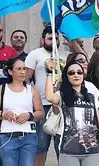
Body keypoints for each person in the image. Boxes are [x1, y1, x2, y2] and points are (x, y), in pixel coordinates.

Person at [45, 58, 99, 166]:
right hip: (68, 150)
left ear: (83, 75)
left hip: (91, 150)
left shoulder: (91, 97)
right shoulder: (62, 95)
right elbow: (49, 97)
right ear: (67, 76)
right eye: (71, 73)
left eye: (79, 72)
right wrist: (49, 73)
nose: (76, 75)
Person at [24, 25, 69, 166]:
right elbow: (25, 79)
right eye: (50, 39)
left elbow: (83, 60)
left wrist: (72, 40)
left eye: (56, 38)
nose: (54, 41)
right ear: (43, 40)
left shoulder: (65, 55)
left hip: (62, 105)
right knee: (40, 146)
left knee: (62, 146)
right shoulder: (35, 54)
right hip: (42, 104)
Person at [0, 58, 44, 166]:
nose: (23, 72)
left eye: (24, 69)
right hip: (7, 135)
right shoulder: (3, 88)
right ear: (10, 72)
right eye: (19, 69)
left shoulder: (31, 89)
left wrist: (29, 115)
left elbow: (40, 112)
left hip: (28, 136)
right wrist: (3, 114)